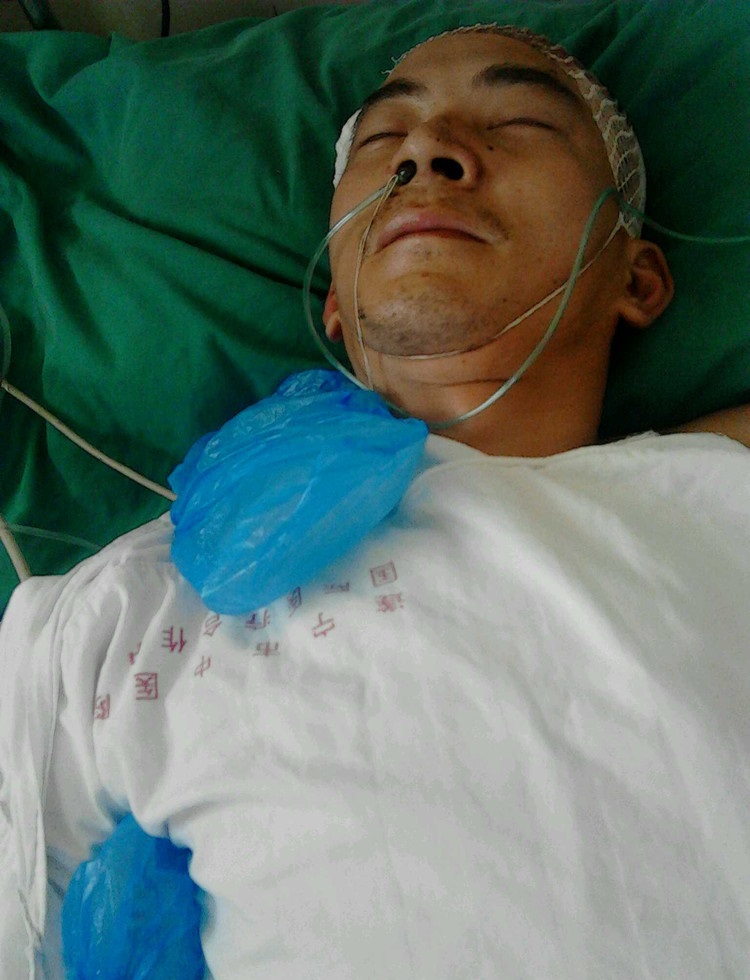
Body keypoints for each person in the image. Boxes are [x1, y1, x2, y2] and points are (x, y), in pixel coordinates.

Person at [1, 25, 749, 980]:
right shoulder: (118, 616)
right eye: (385, 139)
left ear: (636, 277)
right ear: (335, 305)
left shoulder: (717, 496)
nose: (430, 151)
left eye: (518, 123)